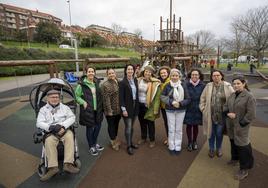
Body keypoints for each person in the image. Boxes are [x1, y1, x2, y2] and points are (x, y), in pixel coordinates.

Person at [36, 89, 79, 181]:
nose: (55, 99)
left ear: (59, 98)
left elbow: (72, 117)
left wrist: (63, 126)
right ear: (48, 98)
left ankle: (68, 164)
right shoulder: (43, 110)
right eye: (52, 97)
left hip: (64, 130)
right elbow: (39, 123)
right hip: (51, 132)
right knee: (49, 141)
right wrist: (51, 127)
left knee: (70, 136)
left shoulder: (65, 108)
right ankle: (53, 168)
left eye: (56, 97)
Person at [224, 76, 256, 180]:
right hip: (231, 124)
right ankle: (235, 159)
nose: (236, 86)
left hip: (242, 125)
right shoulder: (233, 95)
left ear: (244, 84)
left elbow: (251, 113)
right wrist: (227, 112)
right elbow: (226, 106)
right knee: (233, 142)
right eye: (234, 84)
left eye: (238, 83)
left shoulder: (249, 96)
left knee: (243, 146)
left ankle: (244, 168)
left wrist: (241, 121)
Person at [200, 70, 234, 158]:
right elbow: (202, 99)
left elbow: (233, 99)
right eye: (214, 76)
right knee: (211, 132)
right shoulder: (208, 86)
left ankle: (218, 148)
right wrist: (203, 109)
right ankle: (211, 148)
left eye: (218, 75)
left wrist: (231, 111)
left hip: (222, 115)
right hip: (210, 114)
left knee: (219, 133)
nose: (216, 77)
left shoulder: (227, 86)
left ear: (221, 76)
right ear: (212, 77)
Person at [75, 66, 104, 156]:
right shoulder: (82, 84)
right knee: (90, 128)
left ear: (94, 73)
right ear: (86, 73)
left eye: (92, 71)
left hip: (97, 109)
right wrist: (82, 102)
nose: (91, 73)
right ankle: (91, 146)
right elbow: (76, 96)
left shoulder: (97, 82)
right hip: (88, 110)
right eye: (89, 71)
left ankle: (95, 143)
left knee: (98, 126)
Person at [161, 69, 190, 155]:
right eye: (173, 75)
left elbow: (188, 99)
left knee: (178, 129)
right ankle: (171, 146)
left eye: (176, 75)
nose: (174, 77)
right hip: (170, 110)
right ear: (170, 76)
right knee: (171, 128)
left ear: (179, 76)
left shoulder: (183, 85)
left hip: (181, 110)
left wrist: (180, 103)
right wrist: (171, 102)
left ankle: (178, 146)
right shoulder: (167, 85)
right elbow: (162, 96)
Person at [137, 65, 161, 148]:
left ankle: (152, 140)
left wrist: (156, 109)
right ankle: (143, 137)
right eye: (146, 71)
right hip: (139, 104)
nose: (147, 73)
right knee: (142, 122)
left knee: (150, 123)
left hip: (149, 105)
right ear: (144, 72)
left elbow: (157, 97)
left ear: (152, 74)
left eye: (149, 72)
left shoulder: (155, 83)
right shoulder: (139, 80)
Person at [119, 64, 139, 155]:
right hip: (127, 107)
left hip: (135, 106)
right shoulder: (123, 82)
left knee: (132, 127)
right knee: (128, 127)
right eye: (128, 69)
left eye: (132, 69)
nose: (130, 71)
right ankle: (128, 146)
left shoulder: (135, 80)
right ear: (125, 71)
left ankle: (130, 142)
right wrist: (123, 109)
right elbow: (121, 97)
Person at [184, 69, 205, 151]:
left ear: (199, 76)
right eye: (193, 74)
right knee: (188, 125)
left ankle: (194, 141)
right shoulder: (185, 84)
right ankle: (189, 142)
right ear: (190, 75)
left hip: (197, 108)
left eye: (196, 74)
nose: (194, 76)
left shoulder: (203, 85)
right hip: (188, 107)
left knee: (196, 125)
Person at [101, 68, 121, 151]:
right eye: (109, 73)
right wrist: (109, 111)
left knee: (116, 125)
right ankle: (113, 142)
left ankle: (115, 138)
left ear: (115, 74)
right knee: (111, 125)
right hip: (110, 110)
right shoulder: (105, 85)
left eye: (113, 73)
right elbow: (106, 99)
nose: (111, 75)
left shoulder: (118, 81)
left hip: (118, 109)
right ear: (107, 75)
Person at [158, 66, 171, 146]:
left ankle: (172, 139)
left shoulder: (170, 82)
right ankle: (169, 138)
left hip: (170, 106)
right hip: (163, 107)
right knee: (166, 123)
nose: (163, 74)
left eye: (164, 73)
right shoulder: (160, 82)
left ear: (168, 73)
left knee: (171, 123)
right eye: (161, 73)